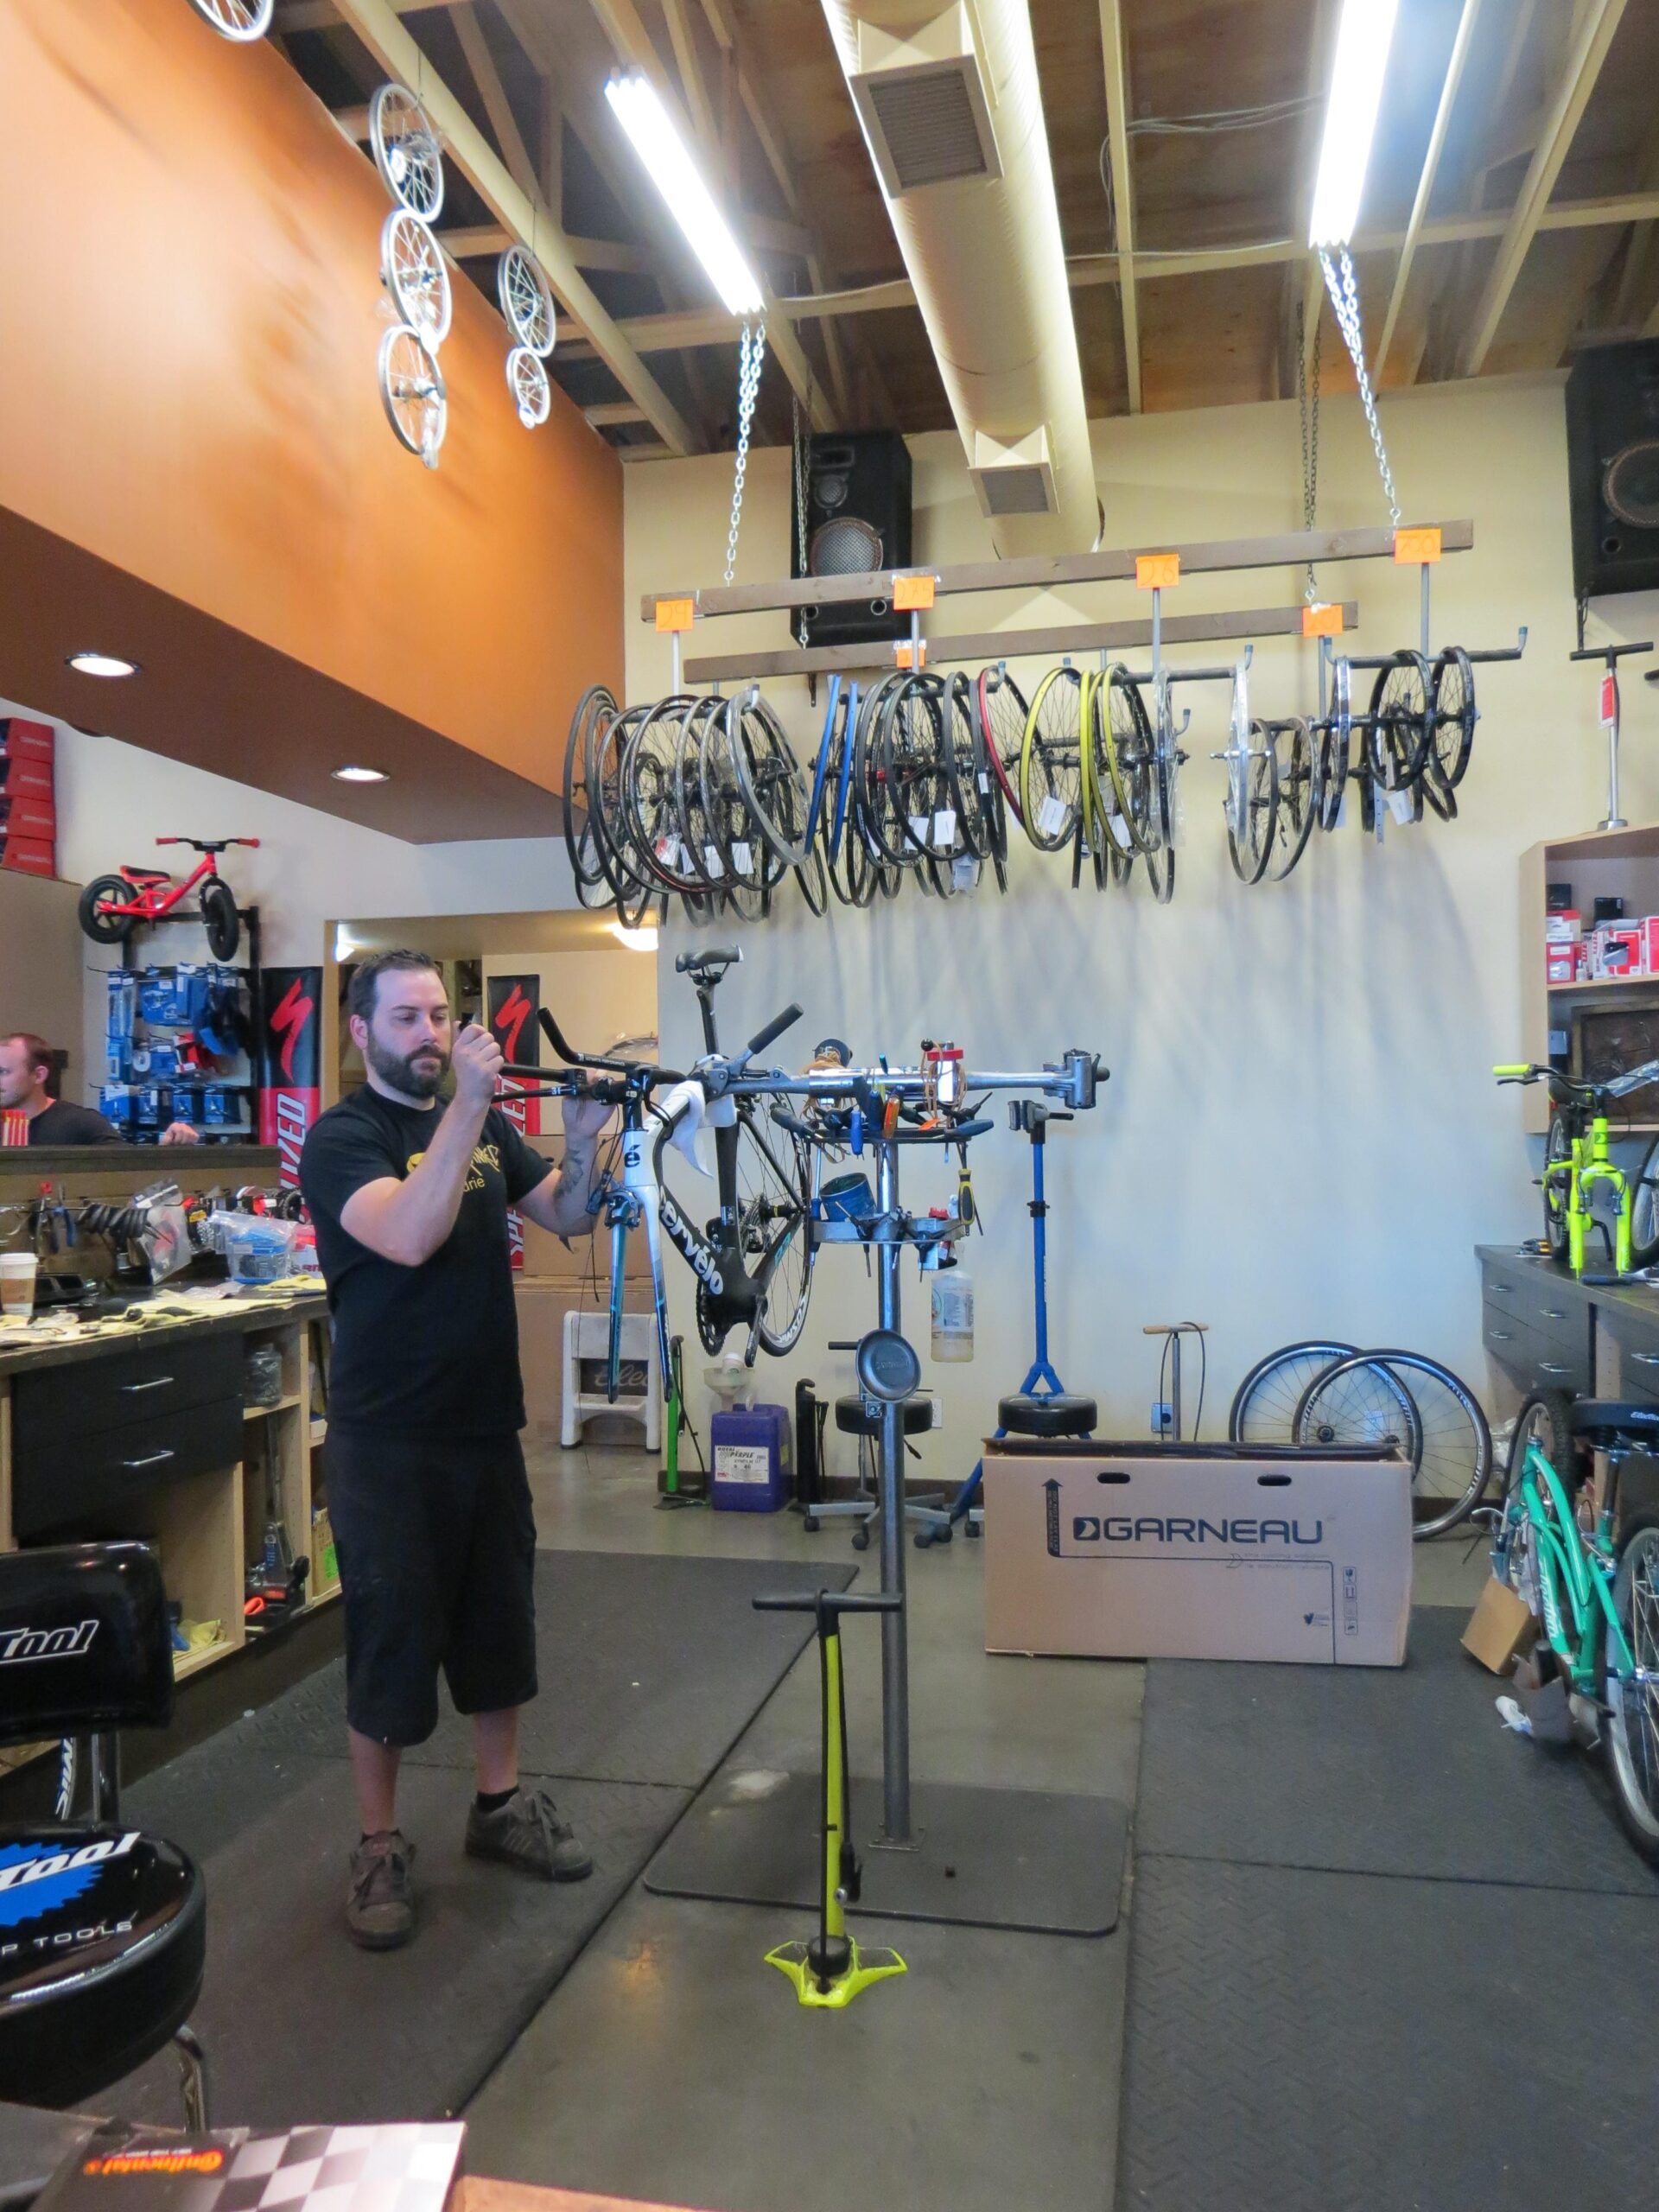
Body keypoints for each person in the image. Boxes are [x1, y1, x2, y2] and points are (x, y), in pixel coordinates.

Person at [299, 950, 614, 1950]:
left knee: (497, 1630)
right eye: (406, 1018)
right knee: (391, 1643)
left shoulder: (485, 1125)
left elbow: (564, 1211)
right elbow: (410, 1234)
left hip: (485, 1427)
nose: (430, 1033)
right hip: (387, 1441)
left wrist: (593, 1138)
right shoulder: (342, 1139)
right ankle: (380, 1841)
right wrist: (470, 1107)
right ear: (360, 1033)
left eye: (439, 1013)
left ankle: (498, 1806)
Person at [0, 1033, 200, 1145]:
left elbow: (132, 1176)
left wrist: (168, 1149)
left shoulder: (80, 1124)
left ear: (39, 1075)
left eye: (3, 1072)